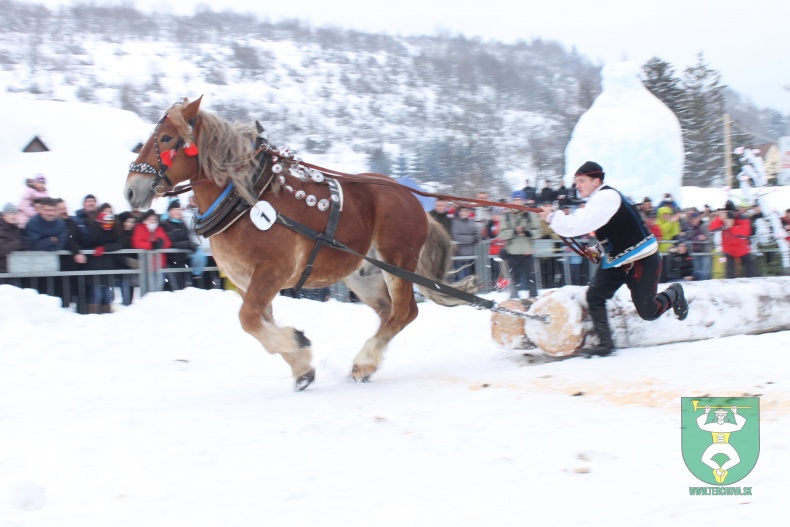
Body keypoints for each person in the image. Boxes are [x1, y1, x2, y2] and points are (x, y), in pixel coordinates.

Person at [538, 161, 688, 358]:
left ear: (596, 181)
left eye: (581, 181)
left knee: (649, 312)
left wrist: (552, 218)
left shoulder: (606, 197)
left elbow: (577, 226)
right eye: (576, 182)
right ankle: (605, 344)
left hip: (641, 258)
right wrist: (597, 250)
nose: (577, 186)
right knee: (594, 296)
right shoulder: (597, 200)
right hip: (617, 260)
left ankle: (674, 293)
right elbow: (614, 232)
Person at [500, 190, 542, 299]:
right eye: (515, 199)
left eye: (519, 199)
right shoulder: (506, 216)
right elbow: (502, 234)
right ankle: (513, 302)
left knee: (531, 280)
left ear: (524, 200)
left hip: (527, 252)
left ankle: (534, 301)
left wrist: (527, 232)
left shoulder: (530, 214)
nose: (517, 202)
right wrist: (514, 231)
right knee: (514, 280)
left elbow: (538, 231)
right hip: (512, 253)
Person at [84, 211, 123, 313]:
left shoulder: (115, 231)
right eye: (106, 221)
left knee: (107, 297)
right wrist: (98, 223)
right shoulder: (94, 228)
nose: (108, 224)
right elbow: (91, 239)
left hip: (109, 267)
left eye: (110, 221)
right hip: (94, 267)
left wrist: (105, 248)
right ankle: (93, 316)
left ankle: (107, 317)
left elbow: (120, 244)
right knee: (95, 295)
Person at [708, 200, 757, 279]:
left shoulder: (742, 218)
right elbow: (712, 229)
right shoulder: (722, 218)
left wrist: (731, 227)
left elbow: (744, 233)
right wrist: (720, 219)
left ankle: (754, 281)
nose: (730, 215)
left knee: (750, 269)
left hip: (742, 248)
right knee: (729, 271)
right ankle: (729, 285)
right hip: (729, 249)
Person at [161, 199, 197, 290]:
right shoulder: (165, 225)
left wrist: (191, 244)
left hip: (183, 260)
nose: (177, 212)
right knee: (176, 286)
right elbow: (171, 243)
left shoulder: (182, 224)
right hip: (171, 261)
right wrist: (188, 244)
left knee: (186, 286)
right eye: (174, 210)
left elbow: (187, 237)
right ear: (169, 212)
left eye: (178, 209)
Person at [132, 209, 172, 291]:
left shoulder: (159, 229)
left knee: (160, 285)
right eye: (150, 219)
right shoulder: (140, 228)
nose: (152, 221)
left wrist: (161, 244)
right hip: (146, 264)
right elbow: (136, 243)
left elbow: (168, 242)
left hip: (160, 263)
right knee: (150, 288)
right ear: (145, 219)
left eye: (154, 219)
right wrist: (151, 245)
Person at [450, 206, 480, 282]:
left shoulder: (471, 222)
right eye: (461, 211)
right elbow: (456, 236)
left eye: (465, 211)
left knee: (469, 277)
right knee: (461, 277)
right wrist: (471, 239)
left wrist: (477, 238)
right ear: (459, 212)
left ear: (468, 212)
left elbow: (477, 233)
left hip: (471, 254)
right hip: (460, 254)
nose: (463, 213)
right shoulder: (455, 222)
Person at [0, 203, 23, 276]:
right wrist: (18, 243)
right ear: (4, 215)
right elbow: (1, 250)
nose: (14, 216)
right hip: (2, 271)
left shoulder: (16, 230)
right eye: (10, 213)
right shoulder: (1, 229)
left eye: (15, 213)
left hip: (15, 269)